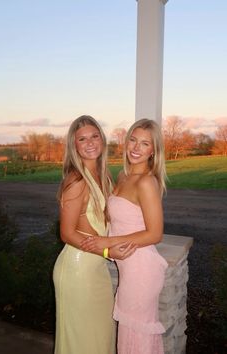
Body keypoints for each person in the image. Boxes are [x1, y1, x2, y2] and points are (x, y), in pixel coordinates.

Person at [81, 118, 168, 354]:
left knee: (136, 337)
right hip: (129, 268)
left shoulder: (146, 182)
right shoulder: (122, 177)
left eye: (145, 144)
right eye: (133, 140)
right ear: (126, 141)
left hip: (142, 269)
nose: (136, 148)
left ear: (153, 151)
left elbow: (155, 233)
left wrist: (107, 243)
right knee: (132, 336)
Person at [53, 115, 136, 354]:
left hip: (96, 270)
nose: (89, 143)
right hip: (77, 272)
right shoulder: (77, 180)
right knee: (83, 343)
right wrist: (108, 250)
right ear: (74, 146)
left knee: (100, 338)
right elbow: (67, 233)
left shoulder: (105, 176)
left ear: (102, 139)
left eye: (94, 136)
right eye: (82, 139)